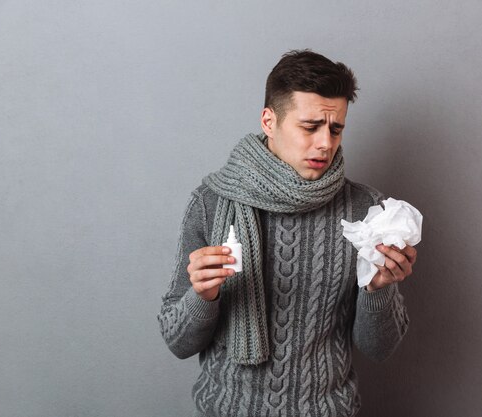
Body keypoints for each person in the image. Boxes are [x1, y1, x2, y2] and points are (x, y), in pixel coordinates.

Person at [157, 49, 417, 417]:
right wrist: (202, 295)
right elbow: (177, 342)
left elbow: (379, 348)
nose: (326, 142)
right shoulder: (211, 203)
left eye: (336, 128)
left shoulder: (367, 211)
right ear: (269, 121)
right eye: (310, 127)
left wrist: (379, 289)